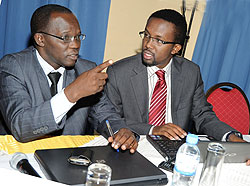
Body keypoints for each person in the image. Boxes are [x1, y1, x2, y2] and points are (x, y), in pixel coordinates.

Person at [0, 4, 137, 153]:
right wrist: (72, 93)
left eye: (78, 37)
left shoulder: (85, 69)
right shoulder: (14, 66)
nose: (75, 45)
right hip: (21, 156)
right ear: (40, 39)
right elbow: (20, 126)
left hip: (69, 159)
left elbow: (105, 114)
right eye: (66, 38)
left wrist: (120, 131)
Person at [104, 9, 245, 143]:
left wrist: (230, 137)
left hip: (176, 148)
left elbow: (203, 115)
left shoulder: (190, 72)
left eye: (159, 40)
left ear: (176, 48)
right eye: (147, 35)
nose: (148, 44)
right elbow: (112, 120)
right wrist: (153, 129)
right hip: (135, 145)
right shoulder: (119, 73)